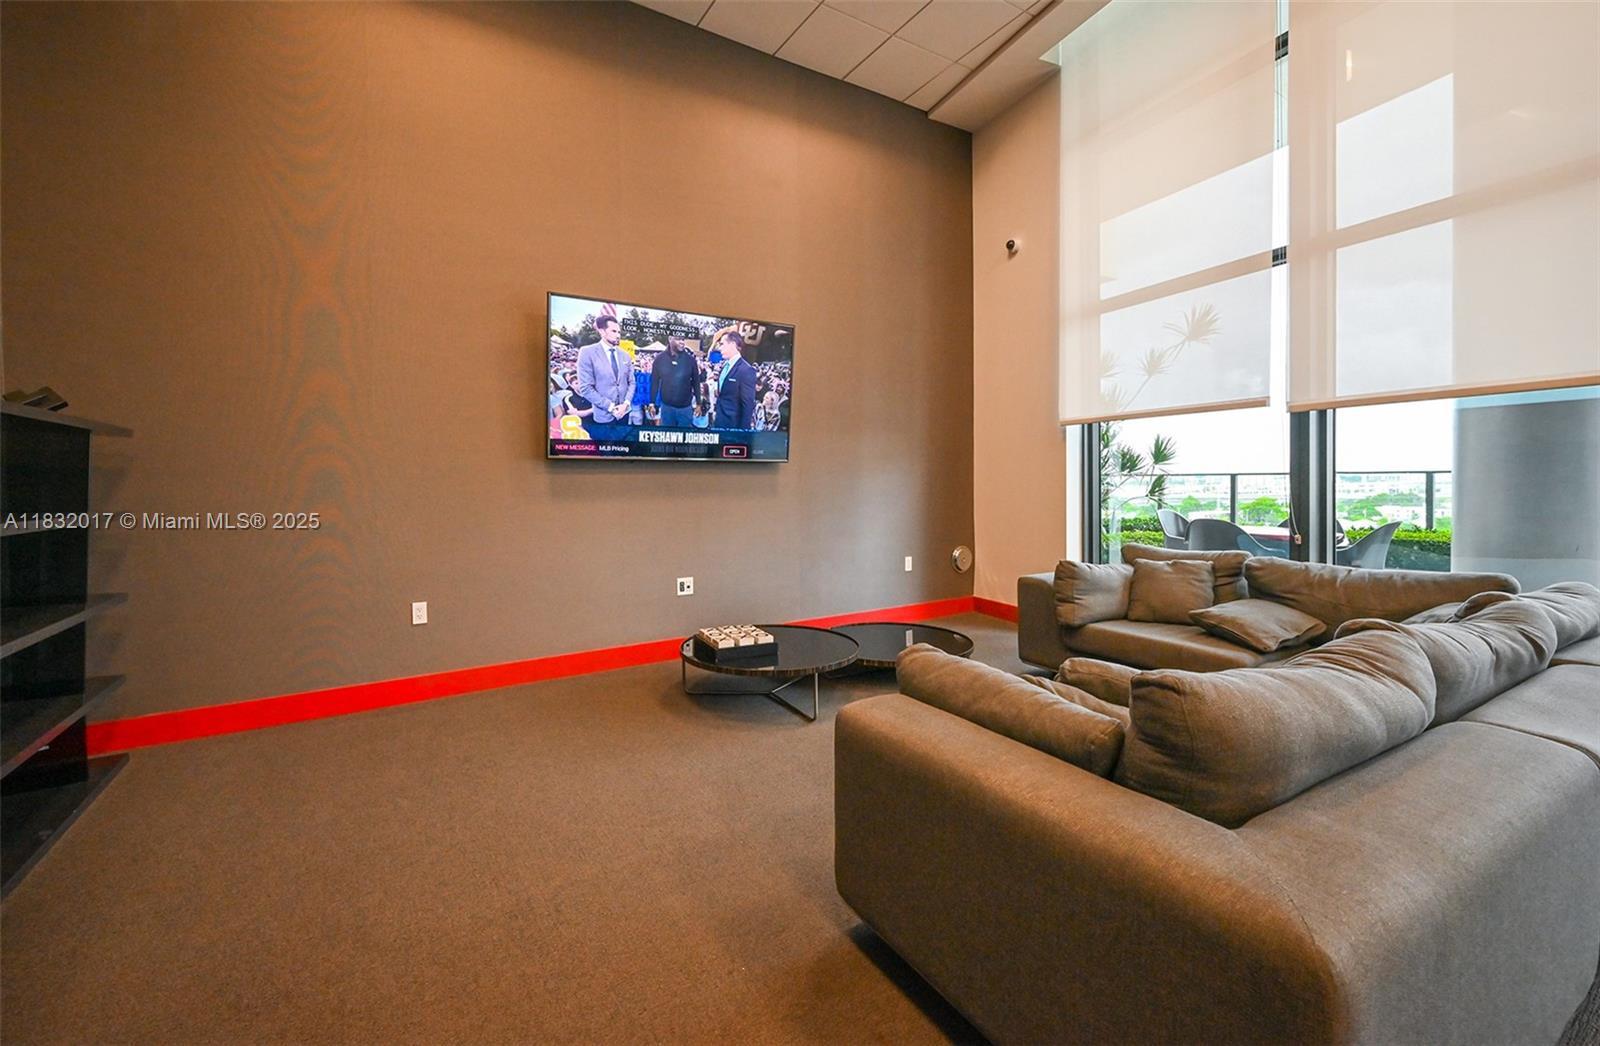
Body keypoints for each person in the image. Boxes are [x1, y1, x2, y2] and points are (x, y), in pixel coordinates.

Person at [575, 314, 634, 441]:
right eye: (613, 331)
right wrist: (611, 407)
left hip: (624, 414)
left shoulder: (625, 355)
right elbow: (586, 388)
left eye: (619, 332)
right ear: (602, 332)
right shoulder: (587, 352)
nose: (618, 335)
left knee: (623, 449)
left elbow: (631, 383)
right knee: (605, 450)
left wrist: (626, 404)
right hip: (603, 417)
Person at [650, 337, 701, 428]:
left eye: (683, 340)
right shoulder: (659, 359)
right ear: (670, 339)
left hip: (685, 409)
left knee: (685, 436)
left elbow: (696, 382)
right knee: (667, 435)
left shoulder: (691, 360)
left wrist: (698, 403)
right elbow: (654, 382)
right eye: (678, 339)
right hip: (666, 408)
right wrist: (652, 403)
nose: (682, 342)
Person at [711, 331, 757, 430]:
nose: (719, 348)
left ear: (732, 344)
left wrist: (742, 433)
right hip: (719, 422)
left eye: (722, 344)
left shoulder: (746, 370)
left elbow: (747, 405)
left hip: (733, 426)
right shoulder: (724, 366)